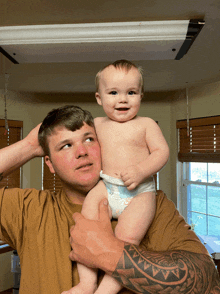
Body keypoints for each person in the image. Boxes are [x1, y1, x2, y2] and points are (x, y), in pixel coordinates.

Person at [0, 105, 219, 294]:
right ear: (49, 164)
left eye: (89, 139)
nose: (82, 152)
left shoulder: (150, 204)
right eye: (66, 145)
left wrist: (111, 254)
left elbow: (208, 281)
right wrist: (29, 146)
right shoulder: (27, 208)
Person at [65, 60, 170, 294]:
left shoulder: (146, 124)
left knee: (125, 243)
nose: (122, 99)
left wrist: (142, 170)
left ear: (141, 96)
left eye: (131, 92)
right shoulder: (96, 124)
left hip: (139, 194)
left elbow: (162, 152)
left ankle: (106, 291)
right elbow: (71, 134)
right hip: (107, 187)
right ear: (99, 98)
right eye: (113, 92)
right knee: (86, 229)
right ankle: (86, 284)